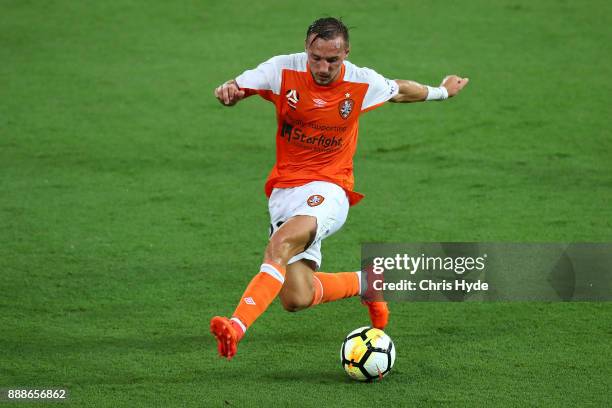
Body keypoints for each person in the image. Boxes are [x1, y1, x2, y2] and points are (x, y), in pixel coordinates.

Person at [210, 17, 469, 360]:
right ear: (307, 49)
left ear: (346, 53)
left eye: (332, 60)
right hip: (284, 192)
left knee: (280, 244)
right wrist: (228, 92)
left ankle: (235, 327)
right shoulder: (281, 71)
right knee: (296, 297)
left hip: (330, 188)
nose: (323, 67)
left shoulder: (361, 81)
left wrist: (442, 92)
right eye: (316, 57)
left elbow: (401, 90)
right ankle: (367, 282)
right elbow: (236, 86)